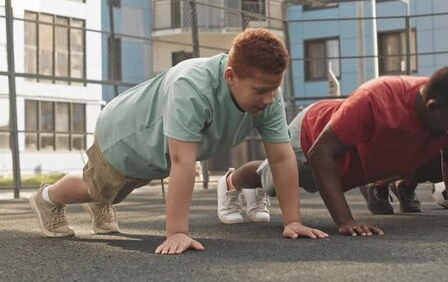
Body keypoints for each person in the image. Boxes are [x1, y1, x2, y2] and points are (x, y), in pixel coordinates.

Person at [28, 28, 327, 255]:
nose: (270, 98)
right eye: (261, 90)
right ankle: (48, 198)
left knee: (117, 189)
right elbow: (183, 161)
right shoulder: (192, 86)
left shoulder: (267, 96)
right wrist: (177, 232)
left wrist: (293, 221)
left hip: (157, 150)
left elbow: (282, 157)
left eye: (274, 88)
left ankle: (102, 202)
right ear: (230, 76)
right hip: (126, 134)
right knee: (96, 187)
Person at [221, 66, 448, 236]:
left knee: (440, 151)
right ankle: (231, 182)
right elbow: (320, 153)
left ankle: (375, 184)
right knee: (270, 180)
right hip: (311, 140)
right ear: (432, 105)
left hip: (360, 153)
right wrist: (345, 220)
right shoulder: (377, 98)